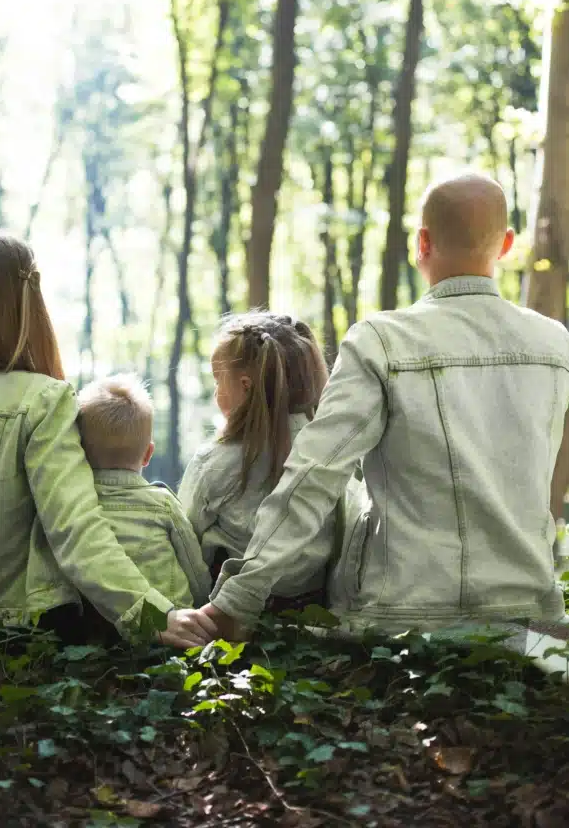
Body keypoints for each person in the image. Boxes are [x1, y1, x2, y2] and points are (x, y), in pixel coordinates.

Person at [194, 173, 569, 640]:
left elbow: (313, 476)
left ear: (422, 242)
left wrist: (237, 599)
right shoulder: (556, 345)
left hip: (399, 619)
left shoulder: (382, 341)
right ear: (508, 244)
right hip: (529, 616)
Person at [0, 233, 216, 649]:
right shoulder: (41, 399)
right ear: (27, 305)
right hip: (25, 637)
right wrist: (151, 615)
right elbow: (76, 529)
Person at [178, 311, 333, 609]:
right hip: (313, 608)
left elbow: (186, 543)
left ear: (246, 386)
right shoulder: (330, 452)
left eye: (218, 381)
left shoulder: (214, 461)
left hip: (231, 612)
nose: (216, 393)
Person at [75, 373, 210, 620]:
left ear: (79, 451)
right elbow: (194, 569)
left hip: (102, 632)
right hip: (172, 625)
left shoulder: (75, 507)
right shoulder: (163, 504)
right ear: (148, 454)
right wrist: (202, 607)